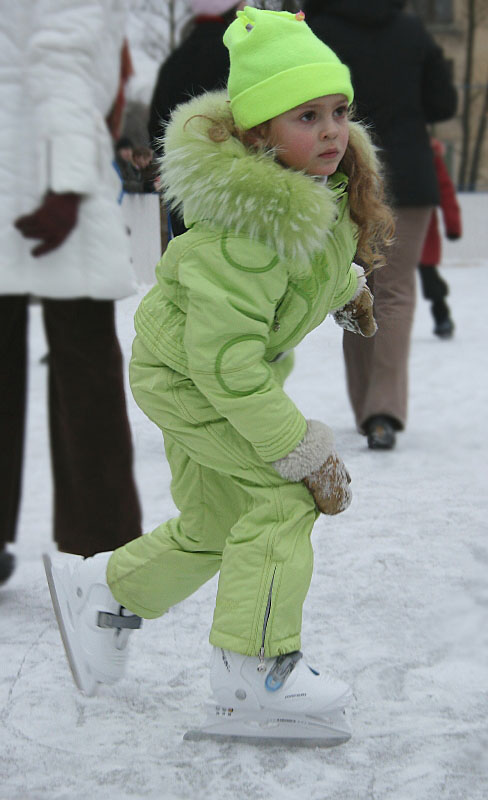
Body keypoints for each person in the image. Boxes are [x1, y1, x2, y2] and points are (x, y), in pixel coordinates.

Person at [44, 7, 393, 746]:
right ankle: (253, 670)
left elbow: (311, 271)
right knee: (281, 495)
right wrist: (300, 449)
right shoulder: (246, 230)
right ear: (259, 132)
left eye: (339, 110)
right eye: (307, 115)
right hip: (193, 381)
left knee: (214, 525)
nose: (332, 130)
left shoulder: (308, 192)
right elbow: (226, 363)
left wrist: (349, 292)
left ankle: (104, 591)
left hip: (199, 372)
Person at [0, 0, 142, 585]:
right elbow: (63, 67)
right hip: (41, 184)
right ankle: (106, 544)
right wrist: (67, 185)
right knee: (86, 370)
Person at [304, 0, 458, 449]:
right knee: (394, 292)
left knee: (357, 288)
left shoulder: (316, 29)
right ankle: (382, 412)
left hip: (345, 171)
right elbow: (443, 103)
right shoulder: (411, 32)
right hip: (408, 175)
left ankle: (364, 406)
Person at [148, 0, 246, 236]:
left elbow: (156, 128)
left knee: (193, 260)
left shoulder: (173, 64)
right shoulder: (240, 55)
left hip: (185, 189)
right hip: (237, 185)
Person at [418, 138, 461, 340]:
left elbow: (445, 188)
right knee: (384, 278)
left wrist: (453, 224)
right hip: (388, 223)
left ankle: (442, 317)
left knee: (429, 275)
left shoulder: (429, 151)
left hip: (422, 226)